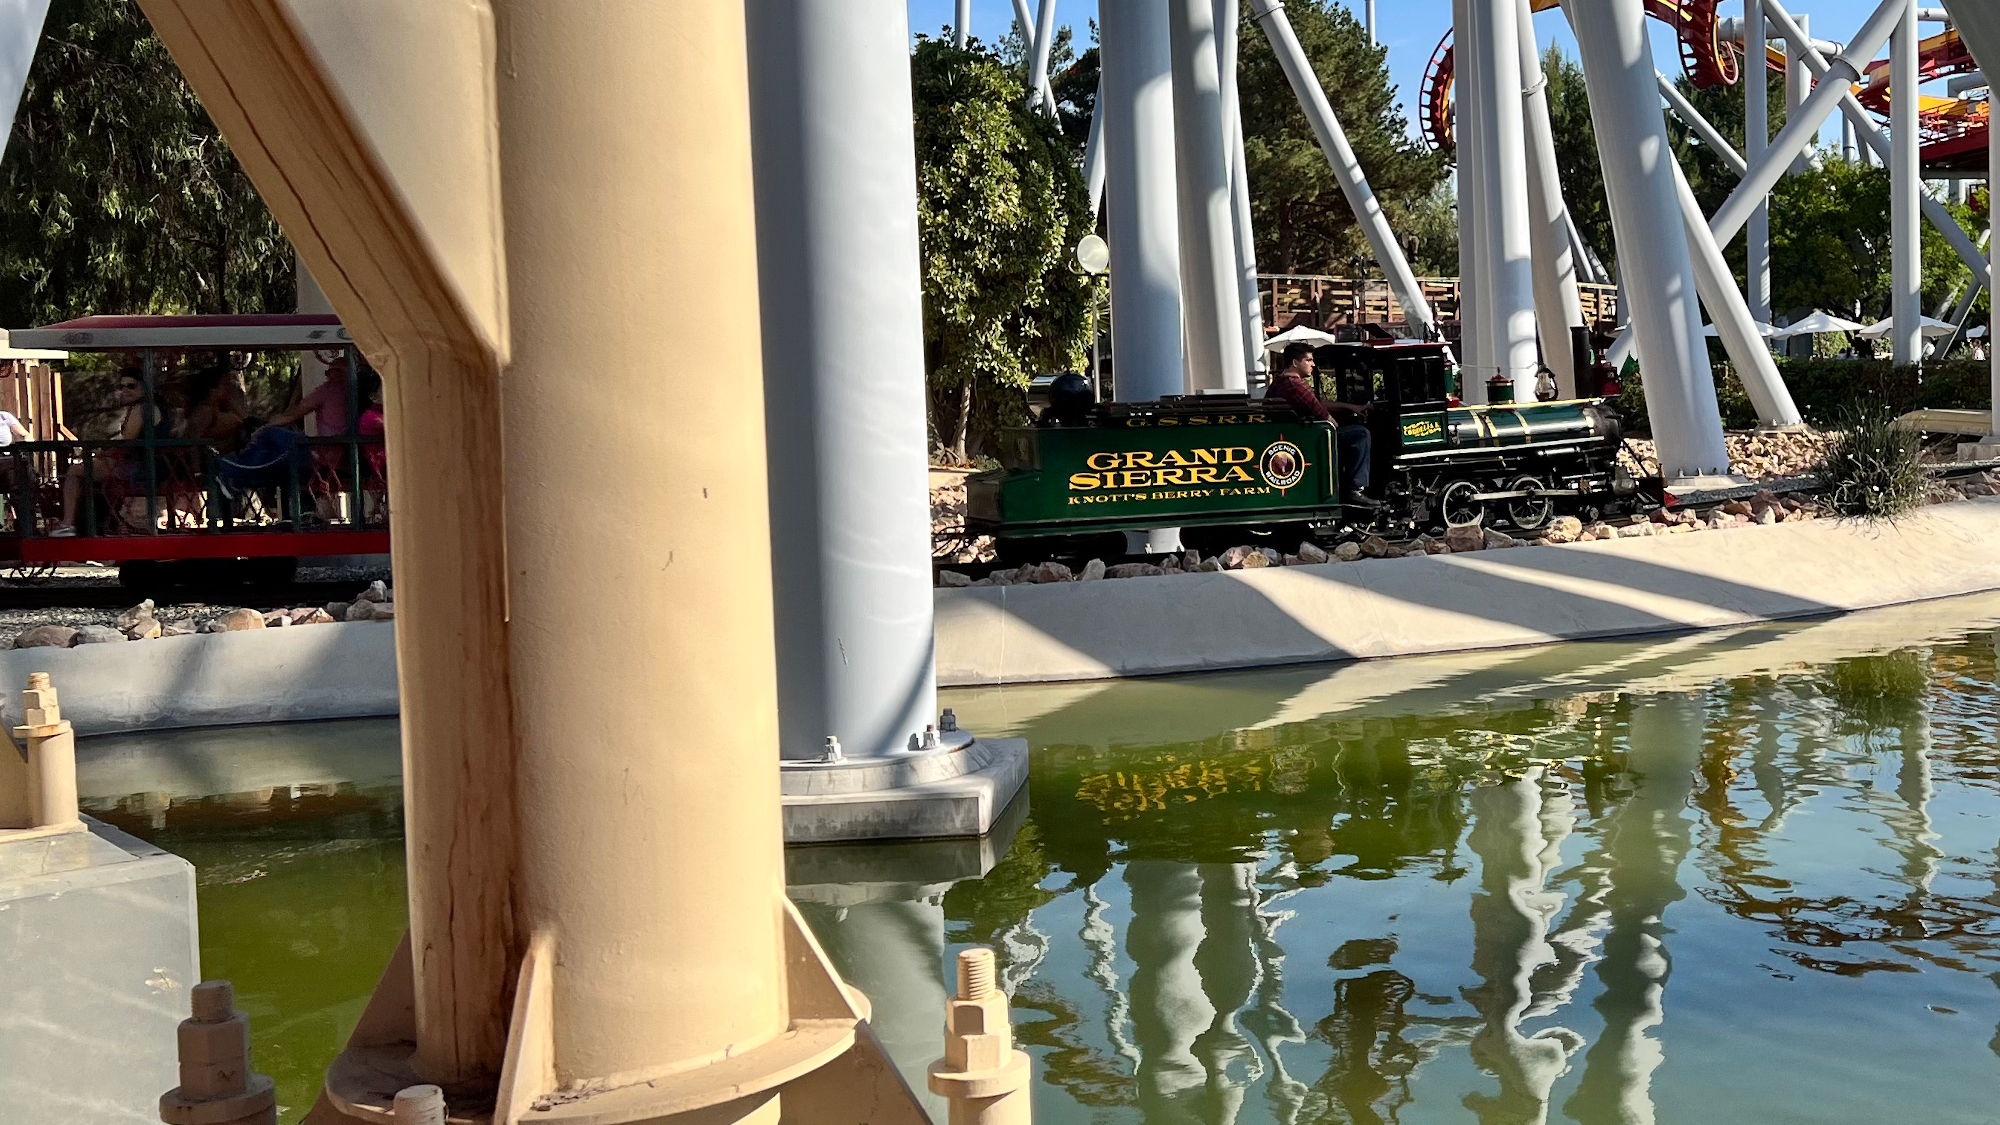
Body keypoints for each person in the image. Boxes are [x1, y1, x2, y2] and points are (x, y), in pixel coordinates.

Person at [49, 366, 173, 536]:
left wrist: (104, 452)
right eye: (122, 386)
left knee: (75, 471)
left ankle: (68, 523)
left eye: (131, 386)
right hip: (153, 464)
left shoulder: (142, 408)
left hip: (142, 467)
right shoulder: (159, 406)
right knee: (93, 472)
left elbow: (127, 442)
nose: (125, 390)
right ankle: (111, 522)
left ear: (145, 387)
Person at [1265, 342, 1377, 507]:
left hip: (1293, 435)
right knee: (1360, 434)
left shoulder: (1281, 382)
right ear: (1295, 363)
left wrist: (1352, 407)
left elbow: (1317, 403)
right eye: (1308, 360)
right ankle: (1354, 488)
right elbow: (1325, 416)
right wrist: (1337, 422)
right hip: (1303, 439)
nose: (1313, 364)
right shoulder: (1295, 385)